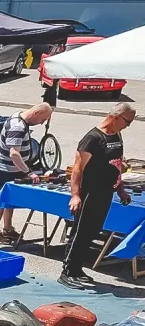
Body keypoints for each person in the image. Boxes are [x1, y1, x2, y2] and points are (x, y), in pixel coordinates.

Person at [59, 103, 137, 289]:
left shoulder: (117, 136)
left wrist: (120, 189)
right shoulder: (93, 138)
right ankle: (67, 272)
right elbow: (77, 169)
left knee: (93, 232)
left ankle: (77, 269)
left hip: (106, 192)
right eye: (127, 122)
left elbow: (116, 164)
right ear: (116, 117)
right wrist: (75, 195)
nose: (128, 126)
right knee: (80, 232)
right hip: (89, 192)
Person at [0, 102, 53, 243]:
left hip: (13, 167)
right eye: (43, 119)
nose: (42, 123)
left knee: (10, 198)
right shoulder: (18, 126)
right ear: (36, 113)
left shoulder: (20, 117)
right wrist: (29, 172)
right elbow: (14, 154)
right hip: (7, 168)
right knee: (3, 198)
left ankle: (7, 228)